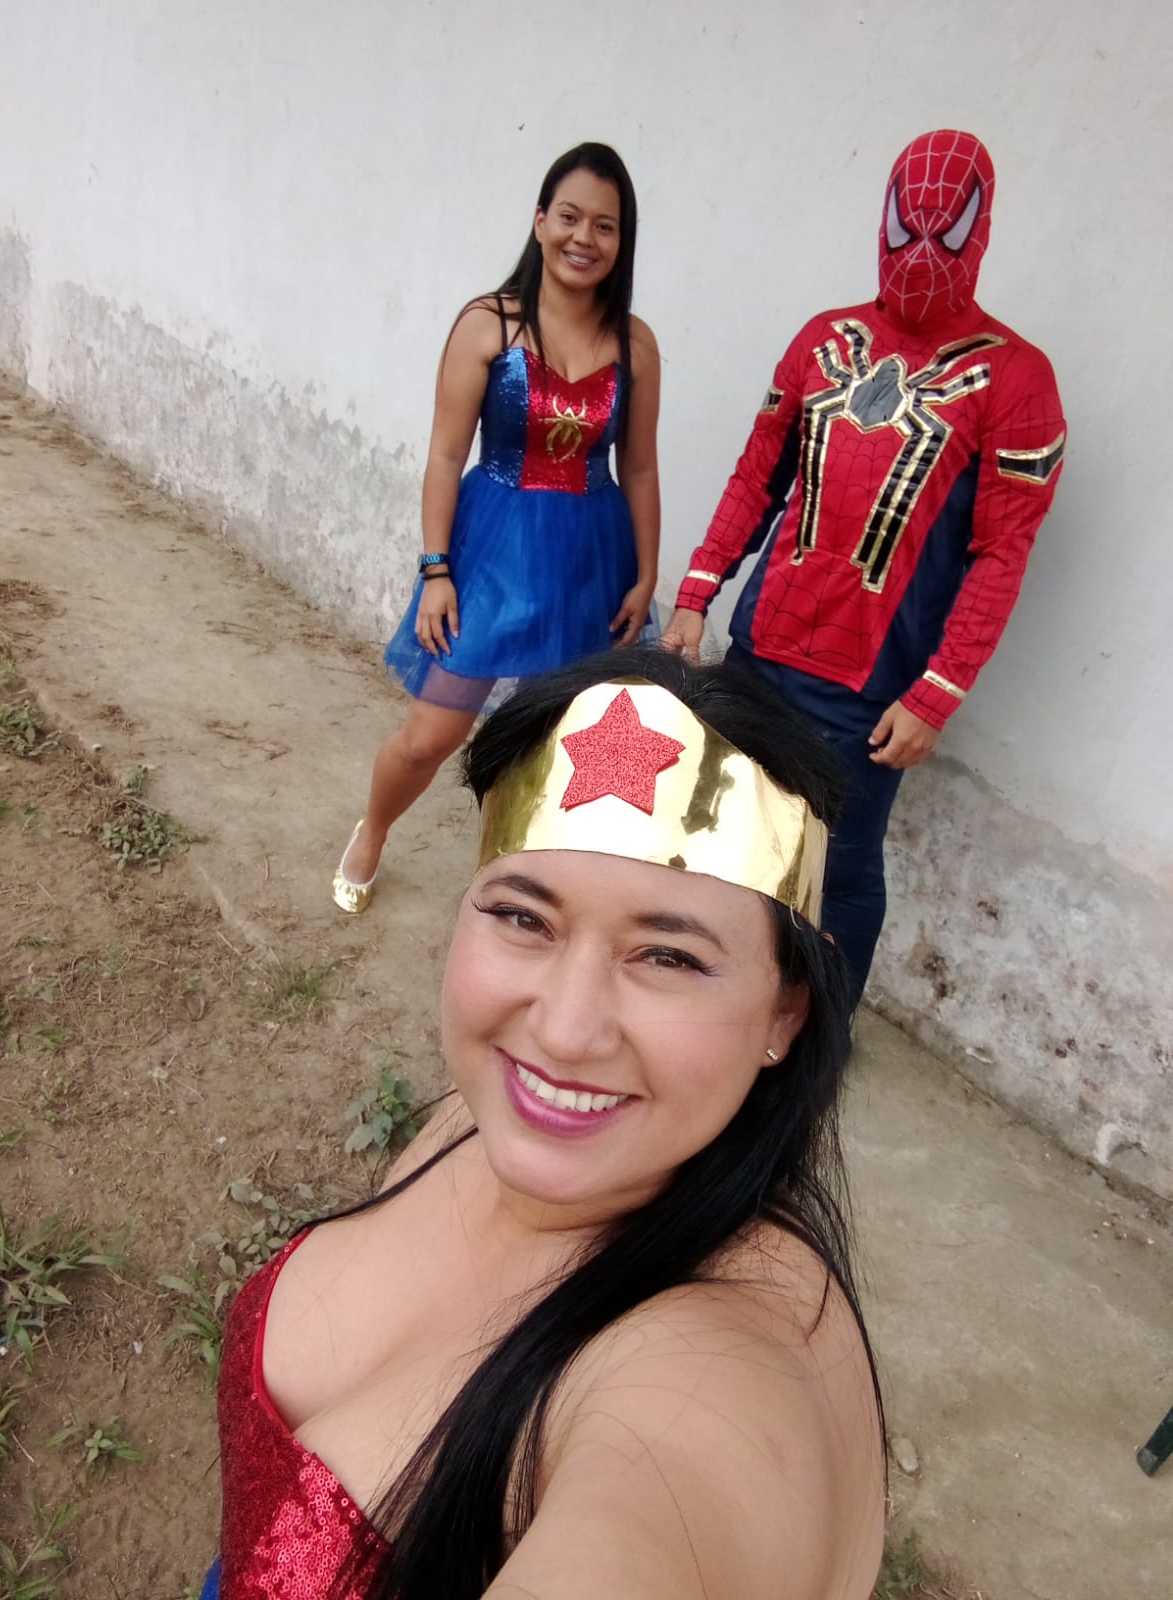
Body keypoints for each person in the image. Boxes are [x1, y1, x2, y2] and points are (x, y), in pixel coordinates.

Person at [203, 646, 885, 1599]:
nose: (563, 1032)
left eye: (670, 958)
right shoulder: (477, 1119)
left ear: (786, 1012)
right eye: (524, 919)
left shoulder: (709, 1396)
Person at [662, 129, 1066, 1001]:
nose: (919, 252)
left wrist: (936, 695)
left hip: (867, 693)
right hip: (760, 651)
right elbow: (756, 478)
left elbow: (1002, 553)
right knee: (723, 829)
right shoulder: (823, 340)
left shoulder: (1016, 380)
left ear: (979, 230)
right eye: (905, 226)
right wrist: (698, 591)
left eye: (944, 232)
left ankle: (820, 1036)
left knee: (837, 872)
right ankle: (717, 1005)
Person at [332, 142, 661, 912]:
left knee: (560, 743)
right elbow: (446, 456)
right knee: (430, 735)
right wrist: (436, 570)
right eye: (570, 217)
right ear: (540, 220)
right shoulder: (489, 325)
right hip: (494, 552)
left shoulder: (635, 344)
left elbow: (641, 469)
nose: (584, 238)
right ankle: (375, 827)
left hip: (591, 558)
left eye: (605, 226)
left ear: (622, 241)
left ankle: (525, 892)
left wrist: (646, 576)